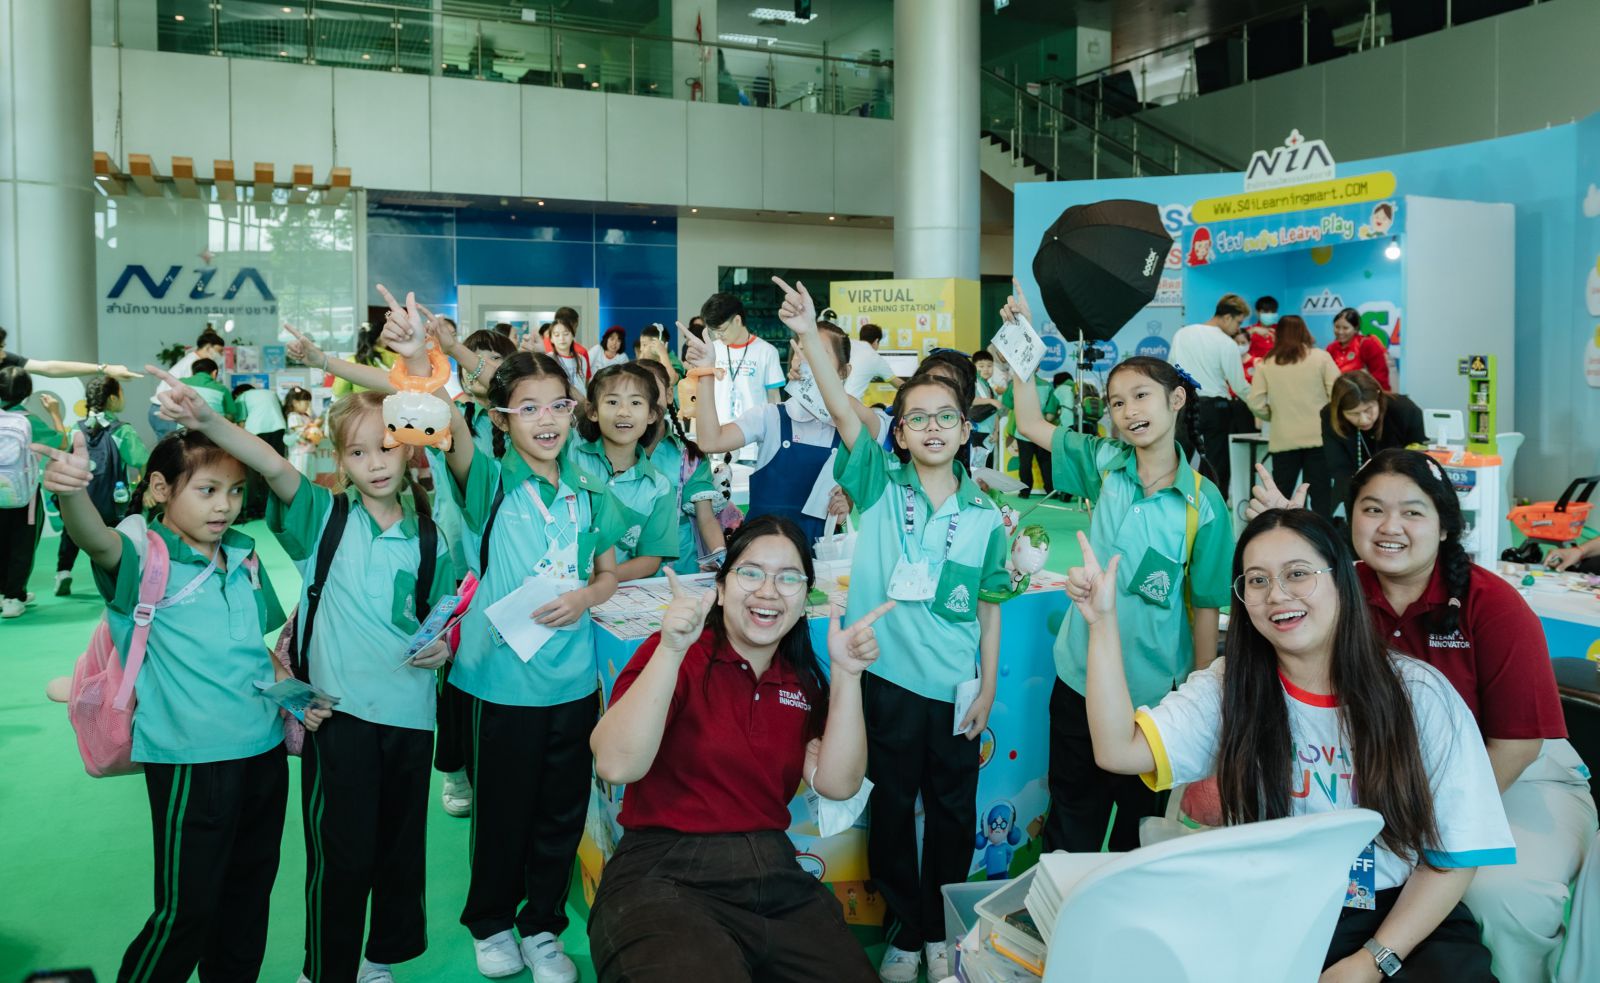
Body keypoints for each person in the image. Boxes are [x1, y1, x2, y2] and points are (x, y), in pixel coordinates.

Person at [1073, 509, 1513, 982]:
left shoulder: (1420, 695)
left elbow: (1452, 858)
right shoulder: (1229, 688)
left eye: (1298, 574)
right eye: (1257, 580)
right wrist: (1102, 623)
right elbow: (1118, 750)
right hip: (1271, 913)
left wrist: (1373, 960)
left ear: (1341, 580)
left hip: (1400, 918)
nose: (1277, 595)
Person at [1247, 452, 1597, 983]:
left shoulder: (1493, 606)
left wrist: (1424, 822)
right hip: (1374, 778)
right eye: (1372, 509)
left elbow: (1518, 746)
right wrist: (1288, 541)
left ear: (1444, 526)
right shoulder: (1335, 591)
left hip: (1514, 777)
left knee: (1501, 896)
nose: (1390, 527)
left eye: (1412, 512)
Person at [167, 368, 454, 983]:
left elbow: (441, 618)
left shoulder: (431, 536)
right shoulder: (324, 517)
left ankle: (380, 958)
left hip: (411, 718)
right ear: (340, 461)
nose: (375, 464)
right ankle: (326, 968)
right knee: (340, 856)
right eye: (357, 453)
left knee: (399, 851)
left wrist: (442, 648)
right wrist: (209, 421)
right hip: (339, 717)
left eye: (387, 448)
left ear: (410, 448)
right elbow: (270, 464)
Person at [777, 277, 1010, 983]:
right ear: (899, 432)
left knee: (952, 813)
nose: (933, 428)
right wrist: (807, 335)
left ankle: (941, 931)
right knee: (892, 809)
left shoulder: (984, 516)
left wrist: (987, 687)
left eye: (947, 417)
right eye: (918, 418)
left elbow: (990, 604)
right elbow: (843, 411)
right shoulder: (878, 484)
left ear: (966, 430)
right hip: (885, 681)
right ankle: (907, 930)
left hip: (957, 690)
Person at [35, 419, 290, 983]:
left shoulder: (244, 555)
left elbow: (256, 649)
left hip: (264, 753)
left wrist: (296, 697)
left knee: (248, 899)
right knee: (186, 910)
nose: (224, 506)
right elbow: (96, 540)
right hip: (190, 762)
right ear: (159, 489)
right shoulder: (142, 558)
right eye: (207, 490)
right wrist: (73, 495)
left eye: (235, 491)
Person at [587, 517, 888, 982]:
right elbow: (614, 763)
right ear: (722, 588)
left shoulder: (802, 681)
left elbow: (838, 784)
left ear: (804, 598)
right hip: (664, 875)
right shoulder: (677, 653)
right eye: (751, 573)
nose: (768, 591)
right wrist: (670, 650)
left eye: (788, 578)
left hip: (775, 877)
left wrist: (848, 676)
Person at [1000, 285, 1234, 857]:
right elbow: (1028, 421)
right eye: (1117, 402)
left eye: (1141, 396)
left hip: (1152, 698)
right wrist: (1023, 336)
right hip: (1079, 676)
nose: (1129, 411)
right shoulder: (1104, 464)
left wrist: (1201, 697)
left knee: (1139, 835)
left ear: (1176, 400)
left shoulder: (1204, 504)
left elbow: (1206, 607)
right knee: (1069, 822)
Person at [435, 344, 625, 983]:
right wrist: (422, 361)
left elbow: (606, 576)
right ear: (500, 418)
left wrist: (584, 599)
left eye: (559, 405)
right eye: (529, 408)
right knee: (501, 815)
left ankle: (543, 926)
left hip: (571, 685)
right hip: (498, 684)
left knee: (561, 814)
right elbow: (449, 427)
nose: (547, 420)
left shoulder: (589, 488)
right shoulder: (487, 480)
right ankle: (491, 924)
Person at [688, 318, 880, 545]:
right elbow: (711, 441)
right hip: (760, 551)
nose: (809, 360)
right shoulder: (769, 417)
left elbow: (874, 433)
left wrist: (845, 501)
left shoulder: (851, 431)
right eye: (802, 351)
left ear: (844, 371)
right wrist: (706, 373)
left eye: (819, 354)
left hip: (820, 555)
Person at [571, 363, 682, 582]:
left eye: (636, 403)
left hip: (616, 593)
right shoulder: (570, 453)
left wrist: (597, 580)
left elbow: (650, 559)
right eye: (612, 402)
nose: (624, 412)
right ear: (593, 411)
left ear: (651, 414)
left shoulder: (659, 487)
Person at [55, 375, 147, 597]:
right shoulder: (122, 430)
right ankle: (118, 581)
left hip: (80, 499)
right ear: (113, 399)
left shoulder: (76, 428)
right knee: (117, 537)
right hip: (114, 501)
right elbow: (141, 460)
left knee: (71, 531)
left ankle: (63, 572)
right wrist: (142, 489)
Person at [636, 357, 726, 574]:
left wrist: (722, 558)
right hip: (623, 574)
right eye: (635, 395)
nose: (645, 400)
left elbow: (705, 517)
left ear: (669, 395)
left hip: (680, 572)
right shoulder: (611, 453)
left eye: (652, 390)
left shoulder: (689, 457)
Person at [1246, 315, 1340, 519]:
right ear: (1305, 331)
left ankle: (1281, 533)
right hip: (1319, 437)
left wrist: (1273, 415)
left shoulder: (1266, 363)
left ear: (1278, 335)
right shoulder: (1321, 357)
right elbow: (1338, 394)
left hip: (1283, 439)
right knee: (1321, 496)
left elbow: (1255, 402)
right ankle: (1322, 535)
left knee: (1281, 496)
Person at [1168, 294, 1251, 493]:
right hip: (1216, 408)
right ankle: (1214, 506)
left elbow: (1171, 369)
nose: (1238, 329)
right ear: (1227, 317)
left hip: (1185, 404)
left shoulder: (1182, 334)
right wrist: (1262, 408)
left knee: (1177, 460)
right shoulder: (1227, 343)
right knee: (1216, 465)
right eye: (1238, 322)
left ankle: (1171, 501)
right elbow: (1239, 385)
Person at [1, 365, 65, 617]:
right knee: (22, 543)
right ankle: (12, 597)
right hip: (23, 494)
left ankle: (6, 593)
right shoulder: (29, 420)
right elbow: (62, 443)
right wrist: (55, 413)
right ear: (27, 392)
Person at [1322, 370, 1425, 512]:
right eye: (1353, 414)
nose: (1363, 420)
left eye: (1368, 409)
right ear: (1340, 411)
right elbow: (1340, 468)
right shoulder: (1330, 416)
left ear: (1378, 396)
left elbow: (1421, 455)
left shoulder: (1404, 410)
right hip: (1355, 489)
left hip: (1404, 489)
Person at [701, 293, 785, 461]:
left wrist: (776, 442)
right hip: (716, 442)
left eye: (721, 330)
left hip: (753, 445)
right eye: (713, 332)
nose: (718, 336)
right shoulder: (711, 351)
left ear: (737, 320)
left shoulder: (766, 351)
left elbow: (774, 400)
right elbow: (701, 397)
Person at [150, 327, 224, 438]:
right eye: (219, 351)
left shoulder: (192, 360)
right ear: (208, 348)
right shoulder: (194, 364)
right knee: (174, 447)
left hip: (162, 408)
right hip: (166, 409)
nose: (221, 355)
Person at [0, 324, 140, 381]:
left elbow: (49, 368)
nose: (4, 354)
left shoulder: (6, 360)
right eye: (0, 348)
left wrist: (105, 369)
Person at [232, 382, 289, 521]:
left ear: (237, 394)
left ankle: (250, 509)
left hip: (256, 431)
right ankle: (268, 509)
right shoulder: (271, 393)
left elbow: (241, 423)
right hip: (278, 430)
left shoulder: (242, 397)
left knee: (252, 472)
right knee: (272, 470)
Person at [1002, 370, 1059, 499]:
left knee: (1025, 463)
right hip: (1042, 430)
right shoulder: (1046, 385)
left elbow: (1008, 403)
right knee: (1045, 462)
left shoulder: (1015, 384)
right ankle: (1050, 490)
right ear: (1038, 368)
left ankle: (1025, 492)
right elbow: (1051, 412)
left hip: (1023, 430)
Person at [1328, 307, 1392, 391]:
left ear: (1355, 329)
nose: (1340, 332)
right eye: (1337, 327)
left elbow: (1380, 377)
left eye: (1345, 328)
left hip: (1365, 394)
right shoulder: (1331, 348)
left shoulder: (1367, 344)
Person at [332, 320, 396, 398]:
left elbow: (339, 392)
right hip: (389, 404)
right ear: (380, 337)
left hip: (361, 404)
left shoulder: (351, 361)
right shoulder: (397, 359)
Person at [844, 323, 903, 400]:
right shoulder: (876, 358)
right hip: (851, 403)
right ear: (876, 341)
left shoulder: (849, 343)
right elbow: (898, 384)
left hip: (831, 398)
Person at [183, 358, 242, 424]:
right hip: (213, 428)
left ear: (193, 372)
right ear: (214, 373)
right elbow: (232, 415)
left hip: (184, 427)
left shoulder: (180, 383)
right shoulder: (222, 389)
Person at [1241, 295, 1279, 384]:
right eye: (1265, 311)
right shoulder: (1249, 331)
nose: (1269, 314)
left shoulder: (1282, 330)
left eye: (1273, 311)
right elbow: (1234, 345)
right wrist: (1253, 331)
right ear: (1257, 312)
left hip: (1277, 375)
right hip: (1253, 377)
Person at [283, 387, 319, 477]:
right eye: (306, 403)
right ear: (295, 403)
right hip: (299, 454)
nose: (308, 406)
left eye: (309, 403)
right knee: (301, 478)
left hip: (309, 452)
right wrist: (314, 427)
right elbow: (301, 432)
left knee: (309, 478)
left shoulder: (306, 416)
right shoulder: (293, 416)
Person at [547, 318, 590, 391]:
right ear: (551, 339)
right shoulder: (548, 359)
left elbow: (584, 383)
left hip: (580, 397)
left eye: (566, 334)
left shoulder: (581, 359)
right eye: (557, 335)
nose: (562, 338)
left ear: (573, 336)